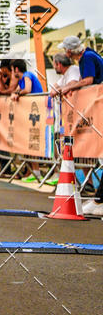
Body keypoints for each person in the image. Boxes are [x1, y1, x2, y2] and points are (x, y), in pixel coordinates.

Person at [56, 37, 103, 216]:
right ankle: (98, 199)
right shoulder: (90, 56)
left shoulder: (87, 58)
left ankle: (99, 200)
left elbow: (89, 80)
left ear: (70, 51)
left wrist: (70, 87)